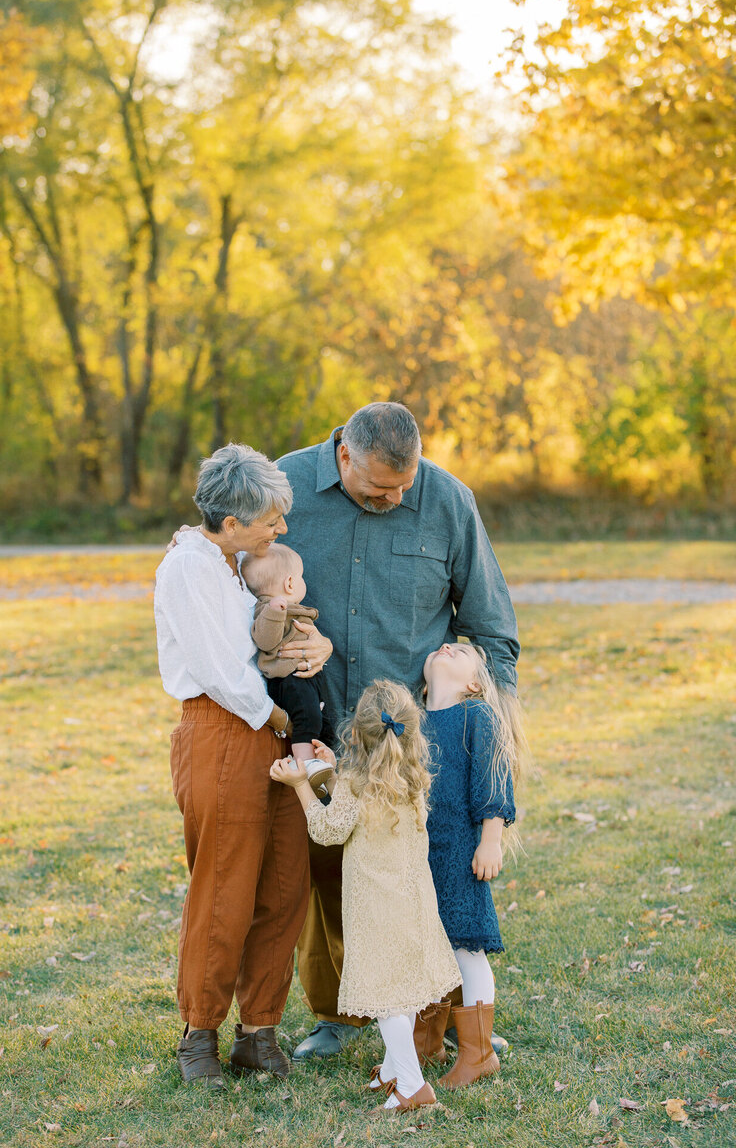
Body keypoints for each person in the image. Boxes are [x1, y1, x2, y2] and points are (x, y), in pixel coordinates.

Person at [275, 402, 521, 1060]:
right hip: (319, 731)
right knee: (333, 878)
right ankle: (336, 1015)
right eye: (383, 487)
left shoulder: (446, 500)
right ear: (345, 456)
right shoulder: (285, 488)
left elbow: (494, 630)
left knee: (424, 882)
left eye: (406, 483)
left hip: (415, 749)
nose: (399, 496)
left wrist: (487, 730)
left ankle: (436, 1018)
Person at [154, 443, 331, 1087]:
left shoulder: (236, 564)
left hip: (276, 733)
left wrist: (315, 648)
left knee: (284, 884)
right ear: (232, 522)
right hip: (226, 732)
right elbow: (221, 672)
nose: (280, 529)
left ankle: (259, 1030)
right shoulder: (188, 569)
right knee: (224, 886)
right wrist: (286, 722)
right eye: (271, 520)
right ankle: (200, 1033)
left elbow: (269, 638)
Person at [269, 680, 462, 1114]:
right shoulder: (413, 776)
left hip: (377, 908)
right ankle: (396, 1068)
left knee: (387, 996)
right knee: (403, 989)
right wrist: (330, 771)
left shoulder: (356, 784)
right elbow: (350, 805)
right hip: (413, 902)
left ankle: (412, 1086)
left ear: (355, 733)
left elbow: (328, 829)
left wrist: (301, 783)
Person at [418, 640, 527, 1088]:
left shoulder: (476, 716)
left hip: (462, 850)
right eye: (442, 647)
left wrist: (490, 840)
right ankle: (425, 1042)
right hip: (419, 853)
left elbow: (493, 778)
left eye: (460, 652)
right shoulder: (410, 721)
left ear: (475, 683)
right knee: (425, 944)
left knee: (466, 946)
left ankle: (478, 1054)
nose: (446, 646)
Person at [241, 543, 334, 792]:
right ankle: (304, 767)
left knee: (324, 720)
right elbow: (265, 640)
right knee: (307, 719)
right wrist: (274, 613)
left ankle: (321, 769)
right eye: (301, 578)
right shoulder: (268, 611)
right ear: (291, 583)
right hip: (289, 679)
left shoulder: (289, 609)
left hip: (306, 677)